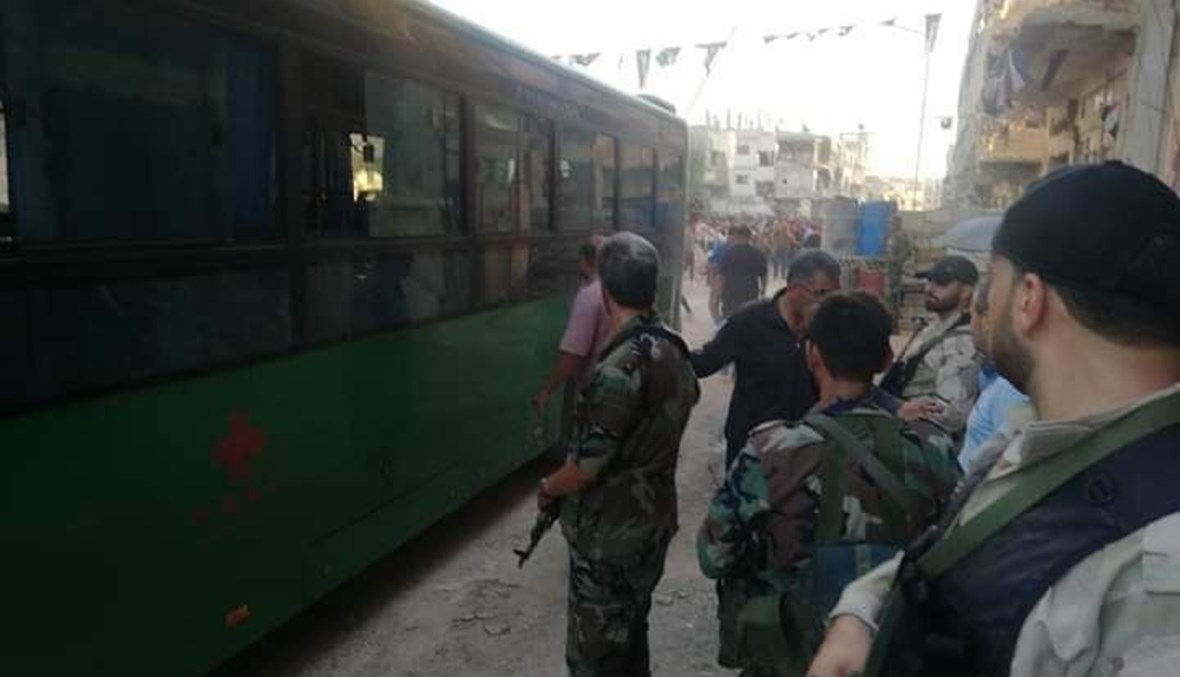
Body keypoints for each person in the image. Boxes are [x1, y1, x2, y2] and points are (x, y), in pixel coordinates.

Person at [808, 162, 1180, 677]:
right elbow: (962, 553)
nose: (983, 304)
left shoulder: (1160, 566)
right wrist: (863, 613)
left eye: (993, 282)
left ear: (1029, 299)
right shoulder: (1037, 437)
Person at [698, 292, 959, 677]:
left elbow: (713, 556)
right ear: (886, 359)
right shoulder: (931, 446)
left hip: (790, 656)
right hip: (889, 652)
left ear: (812, 354)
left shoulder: (772, 450)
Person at [537, 232, 700, 677]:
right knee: (631, 634)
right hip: (652, 525)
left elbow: (584, 469)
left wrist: (549, 486)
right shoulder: (672, 348)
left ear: (605, 291)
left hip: (611, 537)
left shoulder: (619, 368)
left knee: (594, 656)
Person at [692, 250, 842, 468]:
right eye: (822, 294)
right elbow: (705, 362)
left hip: (805, 449)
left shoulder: (829, 329)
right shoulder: (749, 321)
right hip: (752, 450)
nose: (828, 304)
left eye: (834, 297)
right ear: (794, 289)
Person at [884, 255, 980, 439]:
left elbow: (952, 415)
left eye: (941, 284)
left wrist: (902, 411)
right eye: (929, 281)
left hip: (924, 436)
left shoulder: (962, 343)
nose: (929, 289)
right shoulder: (933, 329)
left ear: (966, 291)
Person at [533, 236, 612, 413]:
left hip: (595, 389)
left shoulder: (589, 296)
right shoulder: (617, 287)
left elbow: (572, 354)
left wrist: (547, 390)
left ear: (583, 260)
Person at [959, 281, 1030, 472]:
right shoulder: (991, 374)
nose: (970, 327)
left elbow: (1008, 465)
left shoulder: (1010, 388)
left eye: (972, 316)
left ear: (986, 320)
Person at [713, 225, 769, 320]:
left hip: (730, 298)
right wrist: (763, 292)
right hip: (750, 297)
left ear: (737, 236)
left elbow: (721, 279)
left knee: (732, 325)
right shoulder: (758, 254)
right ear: (750, 237)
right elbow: (764, 276)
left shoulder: (728, 254)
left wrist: (716, 300)